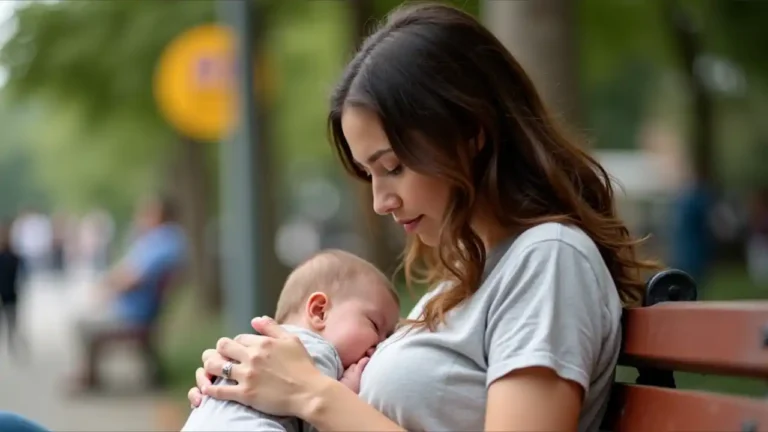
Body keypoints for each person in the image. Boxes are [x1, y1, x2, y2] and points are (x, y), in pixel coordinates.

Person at [187, 3, 658, 431]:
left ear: (471, 133)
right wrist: (246, 397)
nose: (380, 201)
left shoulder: (548, 259)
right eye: (368, 174)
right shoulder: (457, 286)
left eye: (393, 167)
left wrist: (309, 393)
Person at [182, 249, 400, 431]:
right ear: (319, 312)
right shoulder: (311, 349)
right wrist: (346, 393)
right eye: (375, 325)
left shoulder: (256, 351)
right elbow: (323, 422)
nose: (380, 345)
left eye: (388, 337)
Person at [68, 194, 187, 391]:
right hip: (141, 311)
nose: (141, 216)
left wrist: (108, 286)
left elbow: (135, 277)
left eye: (147, 212)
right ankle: (90, 376)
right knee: (88, 318)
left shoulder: (163, 240)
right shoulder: (163, 239)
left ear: (160, 214)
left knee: (84, 322)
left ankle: (89, 378)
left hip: (138, 314)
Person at [0, 219, 24, 357]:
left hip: (9, 292)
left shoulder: (12, 257)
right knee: (10, 321)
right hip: (9, 292)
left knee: (10, 321)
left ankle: (11, 344)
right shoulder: (14, 257)